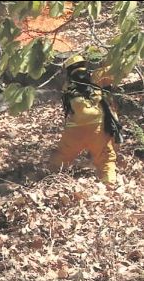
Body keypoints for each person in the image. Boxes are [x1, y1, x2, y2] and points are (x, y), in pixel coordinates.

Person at [49, 54, 124, 185]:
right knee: (106, 159)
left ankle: (49, 177)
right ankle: (109, 184)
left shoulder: (67, 86)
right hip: (97, 126)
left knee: (61, 155)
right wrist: (112, 57)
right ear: (85, 65)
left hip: (74, 128)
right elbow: (119, 68)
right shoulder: (96, 76)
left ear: (68, 71)